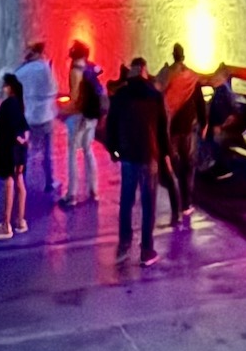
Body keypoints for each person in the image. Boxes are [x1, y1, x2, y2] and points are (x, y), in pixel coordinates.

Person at [105, 56, 172, 264]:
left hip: (128, 154)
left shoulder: (121, 95)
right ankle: (146, 250)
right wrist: (165, 153)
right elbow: (162, 127)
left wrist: (113, 150)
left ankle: (124, 245)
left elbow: (111, 125)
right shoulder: (154, 95)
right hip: (149, 154)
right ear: (144, 70)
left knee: (126, 200)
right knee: (148, 203)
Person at [154, 42, 204, 221]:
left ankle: (176, 207)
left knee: (174, 167)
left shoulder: (167, 76)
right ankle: (187, 203)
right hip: (188, 128)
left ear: (173, 55)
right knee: (189, 166)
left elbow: (160, 99)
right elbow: (199, 101)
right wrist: (204, 123)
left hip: (172, 129)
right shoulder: (191, 77)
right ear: (183, 56)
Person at [12, 40, 60, 203]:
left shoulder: (21, 71)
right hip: (45, 116)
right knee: (47, 152)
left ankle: (21, 181)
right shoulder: (46, 68)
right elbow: (53, 90)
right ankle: (49, 181)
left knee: (24, 151)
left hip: (26, 116)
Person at [59, 40, 104, 207]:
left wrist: (62, 112)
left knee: (72, 154)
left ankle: (72, 194)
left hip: (79, 117)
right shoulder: (90, 67)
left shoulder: (75, 72)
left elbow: (75, 99)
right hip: (91, 116)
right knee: (88, 150)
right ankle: (94, 190)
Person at [0, 73, 30, 239]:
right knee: (19, 181)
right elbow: (23, 126)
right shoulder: (20, 103)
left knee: (9, 184)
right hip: (20, 151)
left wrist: (11, 140)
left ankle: (6, 225)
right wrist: (23, 140)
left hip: (9, 150)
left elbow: (8, 128)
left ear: (9, 87)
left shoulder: (8, 104)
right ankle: (20, 220)